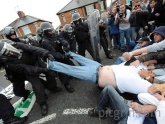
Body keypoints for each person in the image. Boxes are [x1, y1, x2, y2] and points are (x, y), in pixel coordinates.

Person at [47, 50, 156, 95]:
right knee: (78, 57)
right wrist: (144, 59)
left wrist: (150, 75)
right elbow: (129, 55)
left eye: (151, 73)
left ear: (149, 79)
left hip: (96, 75)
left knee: (71, 70)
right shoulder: (138, 67)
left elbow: (154, 91)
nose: (149, 71)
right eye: (150, 71)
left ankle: (50, 65)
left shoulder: (139, 82)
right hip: (98, 66)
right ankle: (68, 52)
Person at [0, 39, 61, 116]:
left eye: (8, 51)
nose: (11, 53)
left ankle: (52, 87)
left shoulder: (19, 45)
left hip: (34, 60)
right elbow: (26, 68)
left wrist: (46, 53)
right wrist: (42, 70)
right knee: (37, 85)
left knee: (51, 74)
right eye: (6, 54)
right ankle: (42, 103)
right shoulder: (9, 64)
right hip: (28, 69)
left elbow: (33, 49)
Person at [40, 22, 75, 93]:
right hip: (55, 59)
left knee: (71, 64)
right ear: (45, 32)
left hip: (61, 54)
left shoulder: (54, 35)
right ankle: (66, 84)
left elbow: (61, 39)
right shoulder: (45, 42)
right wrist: (63, 56)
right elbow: (53, 53)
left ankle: (72, 75)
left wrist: (65, 43)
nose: (52, 31)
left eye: (52, 30)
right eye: (50, 31)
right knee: (62, 72)